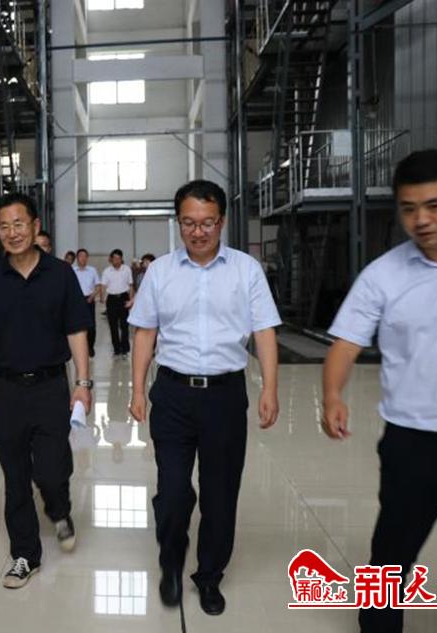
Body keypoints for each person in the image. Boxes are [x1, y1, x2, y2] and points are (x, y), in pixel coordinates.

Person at [321, 149, 437, 633]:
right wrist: (332, 395)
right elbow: (345, 344)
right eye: (409, 208)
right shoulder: (383, 275)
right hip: (412, 447)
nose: (421, 220)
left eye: (434, 206)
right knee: (387, 565)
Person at [128, 180, 280, 616]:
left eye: (207, 223)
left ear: (222, 222)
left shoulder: (246, 270)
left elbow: (264, 331)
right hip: (173, 394)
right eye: (189, 223)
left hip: (225, 397)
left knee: (220, 494)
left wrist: (270, 388)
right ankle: (171, 560)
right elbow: (145, 333)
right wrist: (137, 390)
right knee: (173, 491)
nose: (198, 232)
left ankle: (210, 575)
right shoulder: (160, 272)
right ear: (178, 223)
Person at [0, 192, 93, 589]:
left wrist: (83, 384)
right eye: (4, 226)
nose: (12, 232)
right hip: (6, 390)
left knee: (51, 471)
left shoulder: (60, 274)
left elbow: (76, 330)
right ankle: (25, 554)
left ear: (35, 226)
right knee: (15, 475)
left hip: (51, 387)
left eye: (19, 223)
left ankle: (59, 508)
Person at [101, 248, 134, 356]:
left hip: (124, 298)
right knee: (113, 325)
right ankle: (116, 348)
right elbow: (103, 286)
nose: (117, 261)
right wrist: (102, 298)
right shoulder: (107, 271)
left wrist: (131, 300)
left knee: (124, 325)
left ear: (121, 259)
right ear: (111, 259)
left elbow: (131, 285)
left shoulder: (126, 269)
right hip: (112, 299)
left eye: (119, 258)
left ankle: (125, 348)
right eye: (115, 258)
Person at [72, 248, 101, 358]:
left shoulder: (92, 270)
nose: (83, 258)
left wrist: (92, 296)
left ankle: (90, 347)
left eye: (85, 256)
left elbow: (98, 286)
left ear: (87, 258)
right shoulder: (72, 270)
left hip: (89, 299)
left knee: (91, 326)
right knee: (78, 325)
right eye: (80, 256)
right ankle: (79, 348)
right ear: (77, 258)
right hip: (76, 301)